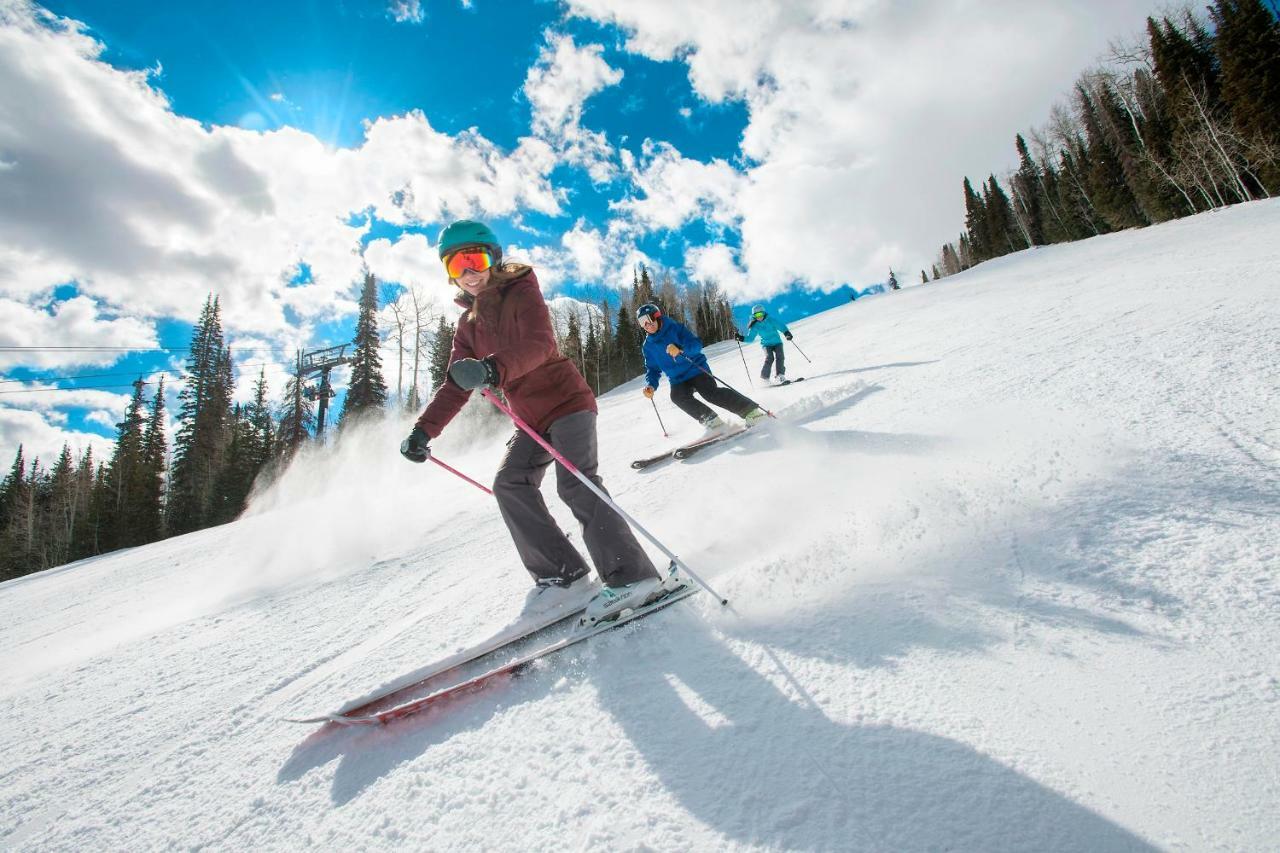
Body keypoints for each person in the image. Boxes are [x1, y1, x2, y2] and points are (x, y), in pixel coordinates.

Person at [400, 220, 663, 625]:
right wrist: (423, 430)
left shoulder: (521, 290)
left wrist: (491, 371)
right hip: (529, 421)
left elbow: (540, 344)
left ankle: (633, 576)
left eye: (476, 259)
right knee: (509, 485)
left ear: (494, 258)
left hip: (566, 402)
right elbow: (455, 385)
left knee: (576, 482)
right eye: (456, 266)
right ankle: (563, 576)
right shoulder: (467, 327)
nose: (469, 272)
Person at [637, 302, 767, 437]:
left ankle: (751, 412)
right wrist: (651, 385)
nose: (647, 324)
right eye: (642, 322)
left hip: (695, 369)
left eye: (649, 319)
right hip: (677, 379)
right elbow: (652, 369)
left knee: (710, 393)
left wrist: (681, 349)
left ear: (657, 317)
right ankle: (713, 421)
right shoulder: (648, 346)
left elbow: (696, 344)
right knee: (677, 396)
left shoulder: (675, 329)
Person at [735, 305, 793, 384]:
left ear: (764, 313)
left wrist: (786, 333)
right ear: (754, 316)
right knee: (769, 357)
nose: (759, 317)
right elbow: (750, 338)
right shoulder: (755, 326)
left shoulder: (770, 320)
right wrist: (741, 338)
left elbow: (781, 326)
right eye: (756, 315)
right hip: (766, 345)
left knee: (780, 356)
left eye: (760, 314)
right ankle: (764, 378)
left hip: (777, 342)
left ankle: (780, 376)